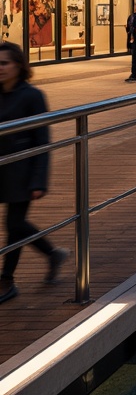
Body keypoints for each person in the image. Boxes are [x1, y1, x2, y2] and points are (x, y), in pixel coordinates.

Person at [0, 42, 67, 304]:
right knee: (15, 226)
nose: (0, 68)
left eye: (5, 63)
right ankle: (52, 253)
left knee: (14, 225)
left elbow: (42, 140)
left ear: (18, 65)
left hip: (20, 171)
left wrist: (38, 179)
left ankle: (6, 278)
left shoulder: (32, 96)